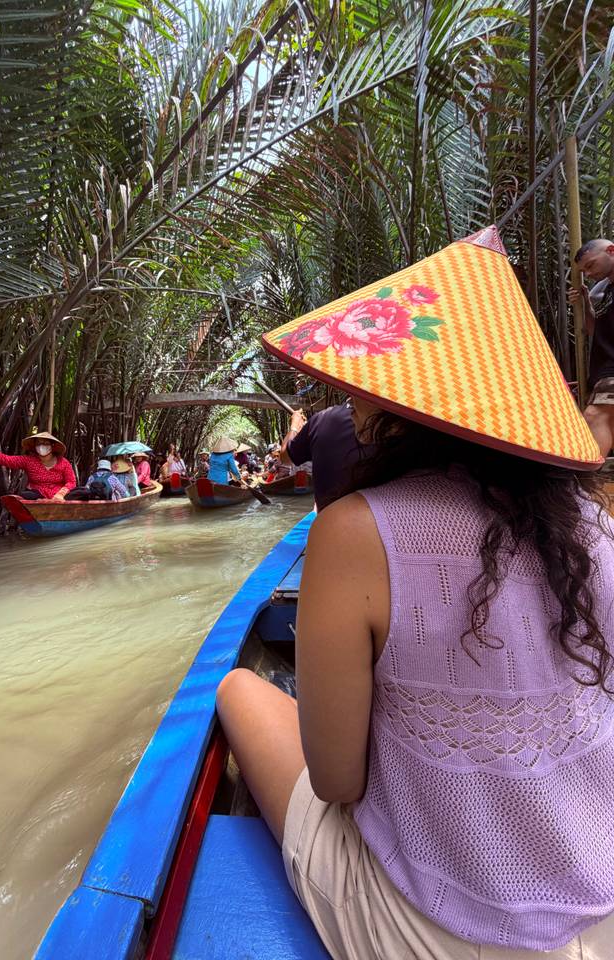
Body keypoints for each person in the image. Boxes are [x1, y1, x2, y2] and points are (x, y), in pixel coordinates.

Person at [217, 228, 614, 960]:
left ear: (398, 401)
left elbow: (337, 782)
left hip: (443, 932)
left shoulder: (353, 531)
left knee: (239, 690)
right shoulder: (593, 518)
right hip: (603, 899)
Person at [280, 402, 374, 510]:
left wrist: (295, 426)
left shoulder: (321, 419)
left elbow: (285, 457)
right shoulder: (393, 421)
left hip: (335, 516)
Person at [568, 238, 614, 459]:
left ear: (611, 251)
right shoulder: (605, 292)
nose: (588, 273)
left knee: (594, 417)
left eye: (591, 265)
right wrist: (586, 302)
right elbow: (594, 330)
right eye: (584, 270)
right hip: (602, 368)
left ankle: (584, 484)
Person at [0, 430, 79, 500]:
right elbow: (4, 459)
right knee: (23, 497)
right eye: (39, 443)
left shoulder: (63, 462)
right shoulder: (28, 461)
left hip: (60, 496)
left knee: (83, 493)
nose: (42, 446)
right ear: (35, 446)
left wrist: (60, 494)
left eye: (46, 443)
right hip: (38, 494)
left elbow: (71, 481)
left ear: (52, 446)